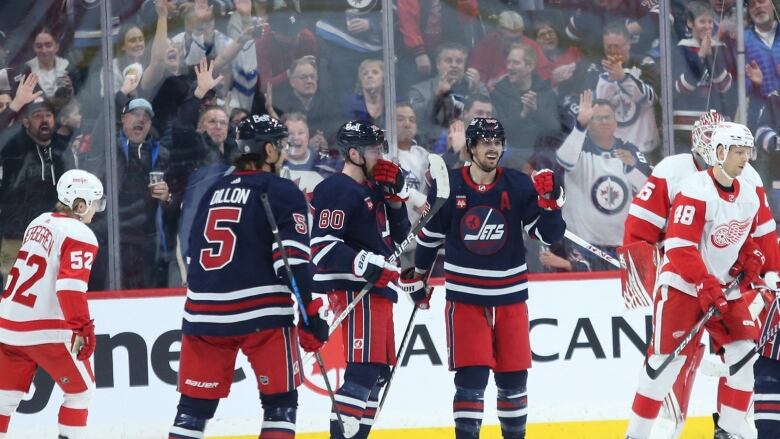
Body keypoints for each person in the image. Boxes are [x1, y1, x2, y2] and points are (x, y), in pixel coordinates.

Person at [168, 114, 328, 439]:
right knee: (281, 403)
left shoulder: (213, 190)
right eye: (280, 145)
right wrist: (310, 313)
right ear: (267, 150)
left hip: (203, 315)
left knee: (192, 411)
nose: (283, 152)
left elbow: (191, 251)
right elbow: (291, 261)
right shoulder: (282, 190)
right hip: (263, 315)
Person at [406, 117, 566, 439]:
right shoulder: (449, 185)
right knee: (471, 380)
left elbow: (547, 236)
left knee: (513, 381)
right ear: (471, 147)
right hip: (466, 299)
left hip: (510, 297)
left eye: (497, 142)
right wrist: (419, 276)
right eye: (485, 142)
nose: (493, 148)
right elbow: (428, 238)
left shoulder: (519, 185)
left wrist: (552, 205)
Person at [624, 112, 780, 438]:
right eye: (737, 151)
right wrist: (703, 281)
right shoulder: (693, 187)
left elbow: (752, 237)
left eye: (746, 152)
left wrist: (754, 260)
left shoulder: (749, 188)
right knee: (664, 367)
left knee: (745, 357)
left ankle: (728, 431)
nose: (744, 158)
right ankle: (636, 435)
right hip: (683, 285)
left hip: (726, 288)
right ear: (719, 151)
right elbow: (680, 248)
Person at [310, 120, 411, 439]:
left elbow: (400, 239)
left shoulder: (373, 189)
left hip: (379, 291)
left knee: (377, 375)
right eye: (372, 149)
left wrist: (396, 198)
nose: (379, 156)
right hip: (358, 290)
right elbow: (322, 247)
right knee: (363, 371)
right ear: (353, 153)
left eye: (380, 148)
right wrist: (365, 262)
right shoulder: (337, 188)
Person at [0, 169, 105, 439]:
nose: (97, 210)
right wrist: (82, 327)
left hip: (8, 325)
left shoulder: (38, 222)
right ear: (80, 205)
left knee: (3, 401)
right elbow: (70, 286)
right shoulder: (80, 233)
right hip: (45, 328)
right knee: (81, 392)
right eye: (95, 203)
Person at [556, 91, 652, 270]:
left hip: (621, 246)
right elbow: (564, 160)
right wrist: (579, 126)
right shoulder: (578, 145)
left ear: (616, 122)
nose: (603, 121)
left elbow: (648, 189)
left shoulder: (629, 149)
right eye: (596, 118)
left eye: (607, 117)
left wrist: (631, 167)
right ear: (589, 124)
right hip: (582, 244)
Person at [0, 98, 69, 278]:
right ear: (25, 122)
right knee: (11, 290)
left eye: (48, 115)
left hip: (52, 238)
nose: (44, 119)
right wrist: (14, 106)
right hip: (16, 237)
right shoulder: (13, 149)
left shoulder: (62, 152)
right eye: (37, 116)